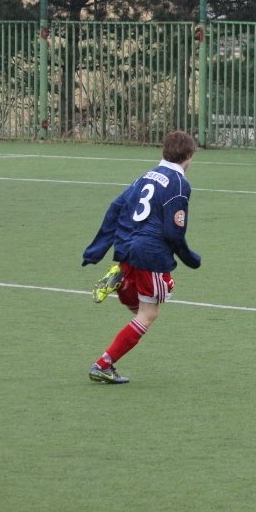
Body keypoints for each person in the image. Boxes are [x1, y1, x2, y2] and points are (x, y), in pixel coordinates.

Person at [83, 130, 201, 384]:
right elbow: (173, 231)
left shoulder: (147, 175)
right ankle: (103, 364)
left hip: (127, 247)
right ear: (189, 156)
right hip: (150, 253)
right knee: (150, 311)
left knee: (143, 307)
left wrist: (98, 248)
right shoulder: (179, 184)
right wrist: (189, 258)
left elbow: (116, 207)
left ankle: (124, 280)